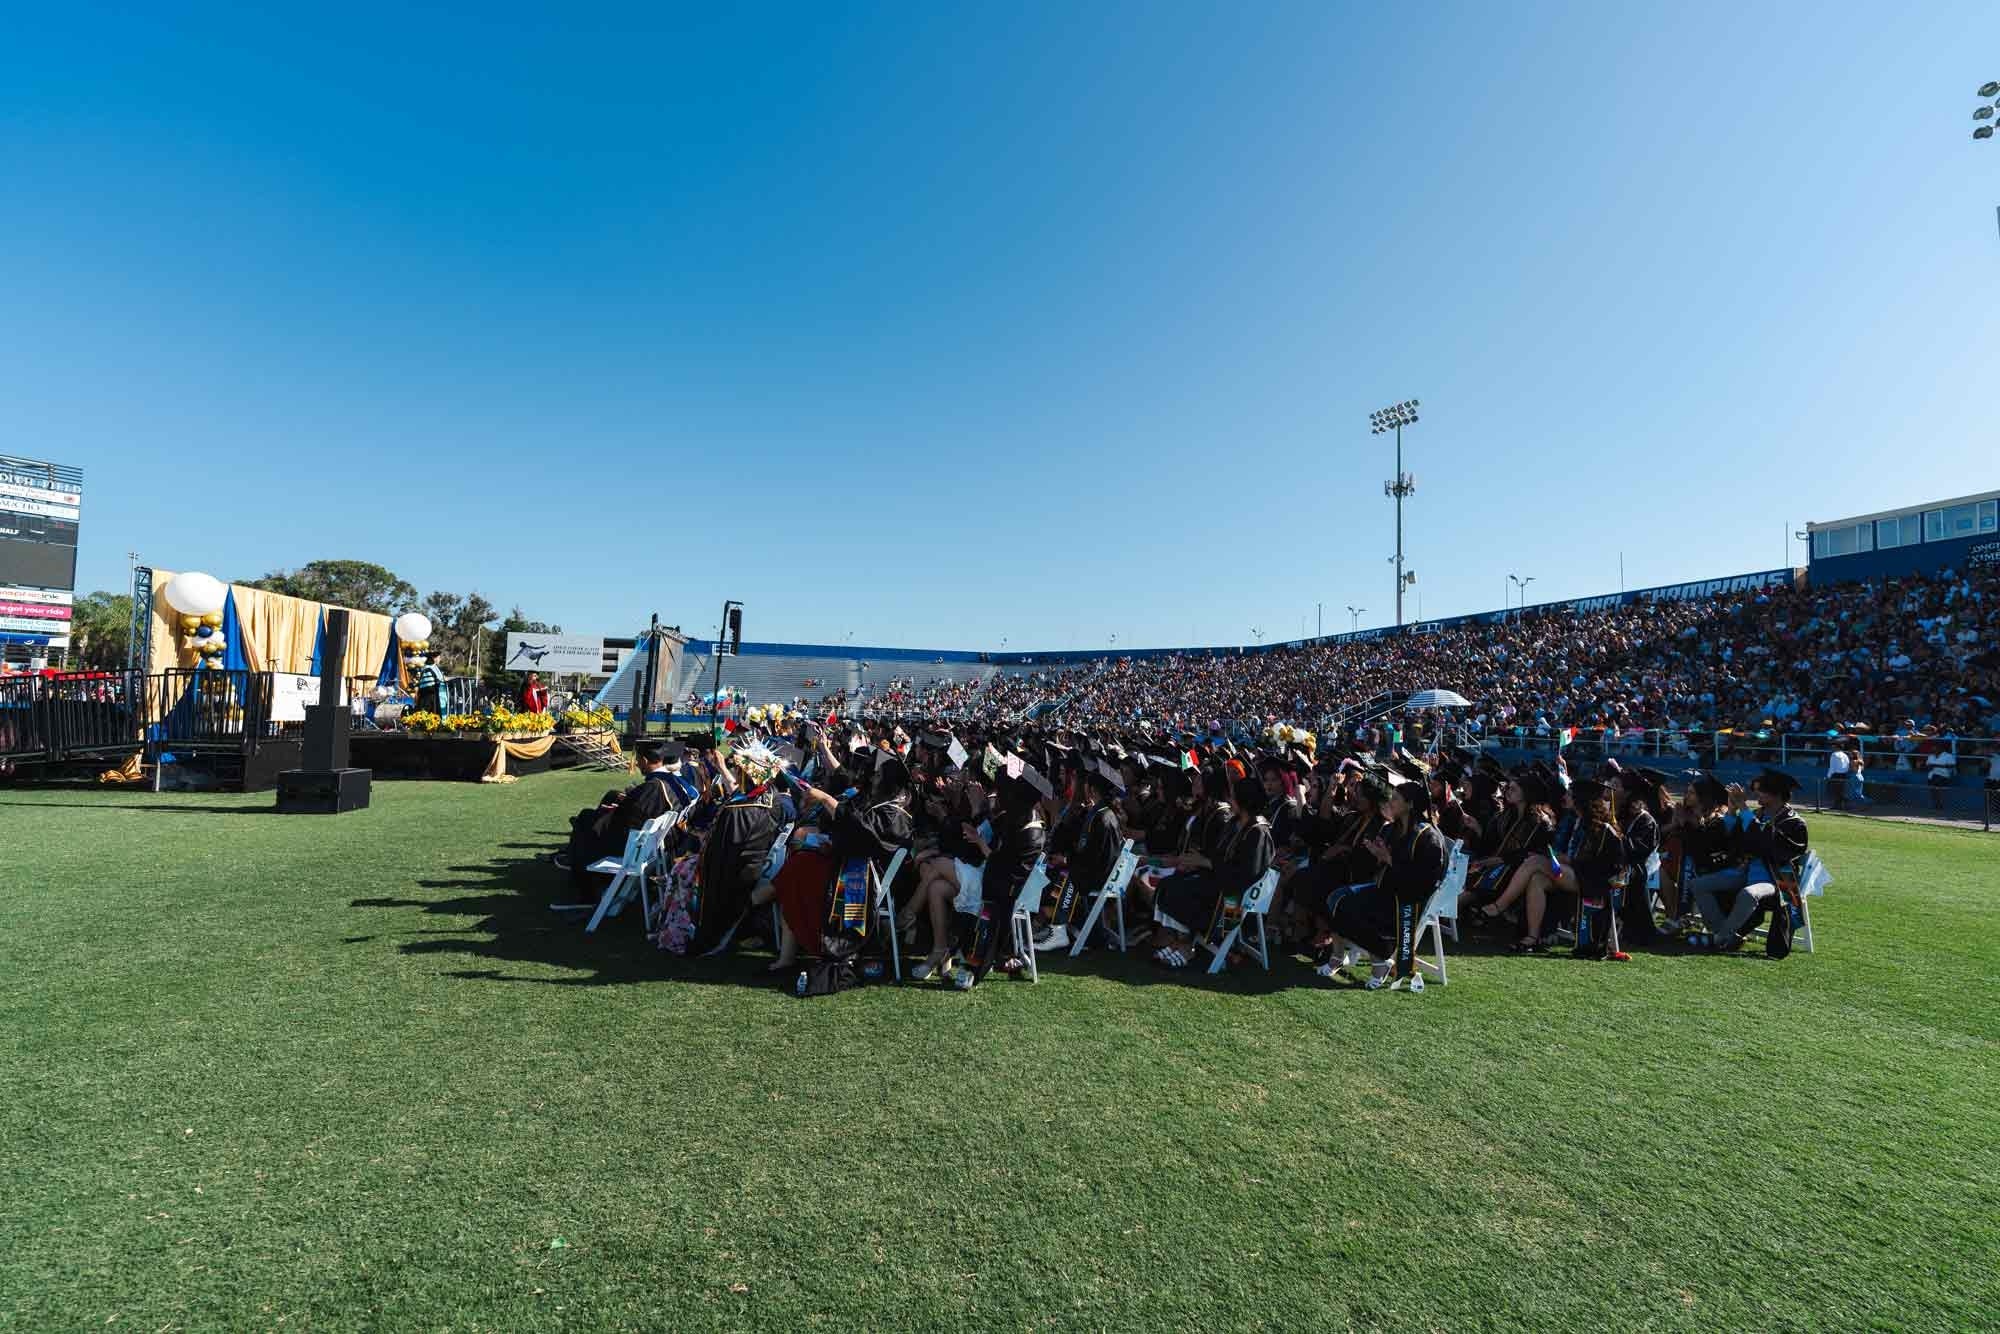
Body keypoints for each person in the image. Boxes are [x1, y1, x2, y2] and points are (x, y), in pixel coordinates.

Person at [1320, 779, 1448, 989]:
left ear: (1410, 804)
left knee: (1347, 905)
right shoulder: (1395, 828)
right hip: (1385, 889)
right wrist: (1378, 853)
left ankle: (1380, 958)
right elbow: (1386, 863)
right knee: (1335, 898)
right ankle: (1357, 955)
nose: (1391, 802)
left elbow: (1423, 881)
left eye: (1396, 799)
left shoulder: (1429, 838)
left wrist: (1388, 859)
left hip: (1406, 902)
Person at [1149, 775, 1275, 971]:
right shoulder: (1235, 823)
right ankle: (1181, 941)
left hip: (1234, 899)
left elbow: (1246, 874)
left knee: (1180, 890)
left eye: (1233, 797)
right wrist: (1195, 862)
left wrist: (1206, 863)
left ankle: (1186, 946)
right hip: (1218, 882)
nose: (1230, 800)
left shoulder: (1258, 832)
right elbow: (1216, 854)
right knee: (1170, 883)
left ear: (1244, 801)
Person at [1686, 770, 1809, 952]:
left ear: (1775, 794)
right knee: (1698, 884)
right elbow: (1729, 838)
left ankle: (1720, 938)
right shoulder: (1757, 814)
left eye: (1761, 791)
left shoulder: (1794, 822)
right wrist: (1733, 810)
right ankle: (1726, 934)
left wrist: (1743, 808)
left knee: (1748, 894)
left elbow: (1766, 842)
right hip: (1745, 872)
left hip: (1776, 879)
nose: (1756, 795)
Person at [554, 739, 683, 881]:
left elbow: (632, 819)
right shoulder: (670, 780)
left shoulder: (654, 785)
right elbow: (640, 811)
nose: (637, 764)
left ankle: (579, 870)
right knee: (597, 812)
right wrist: (621, 806)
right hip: (655, 843)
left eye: (638, 760)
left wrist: (613, 812)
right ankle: (572, 855)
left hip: (635, 847)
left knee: (586, 817)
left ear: (645, 760)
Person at [1825, 743, 1850, 811]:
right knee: (1840, 790)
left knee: (1835, 791)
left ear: (1837, 748)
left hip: (1836, 775)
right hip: (1844, 775)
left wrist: (1828, 776)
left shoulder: (1834, 755)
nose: (1832, 748)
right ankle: (1839, 805)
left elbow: (1832, 767)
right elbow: (1848, 765)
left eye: (1833, 747)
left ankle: (1841, 804)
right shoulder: (1845, 755)